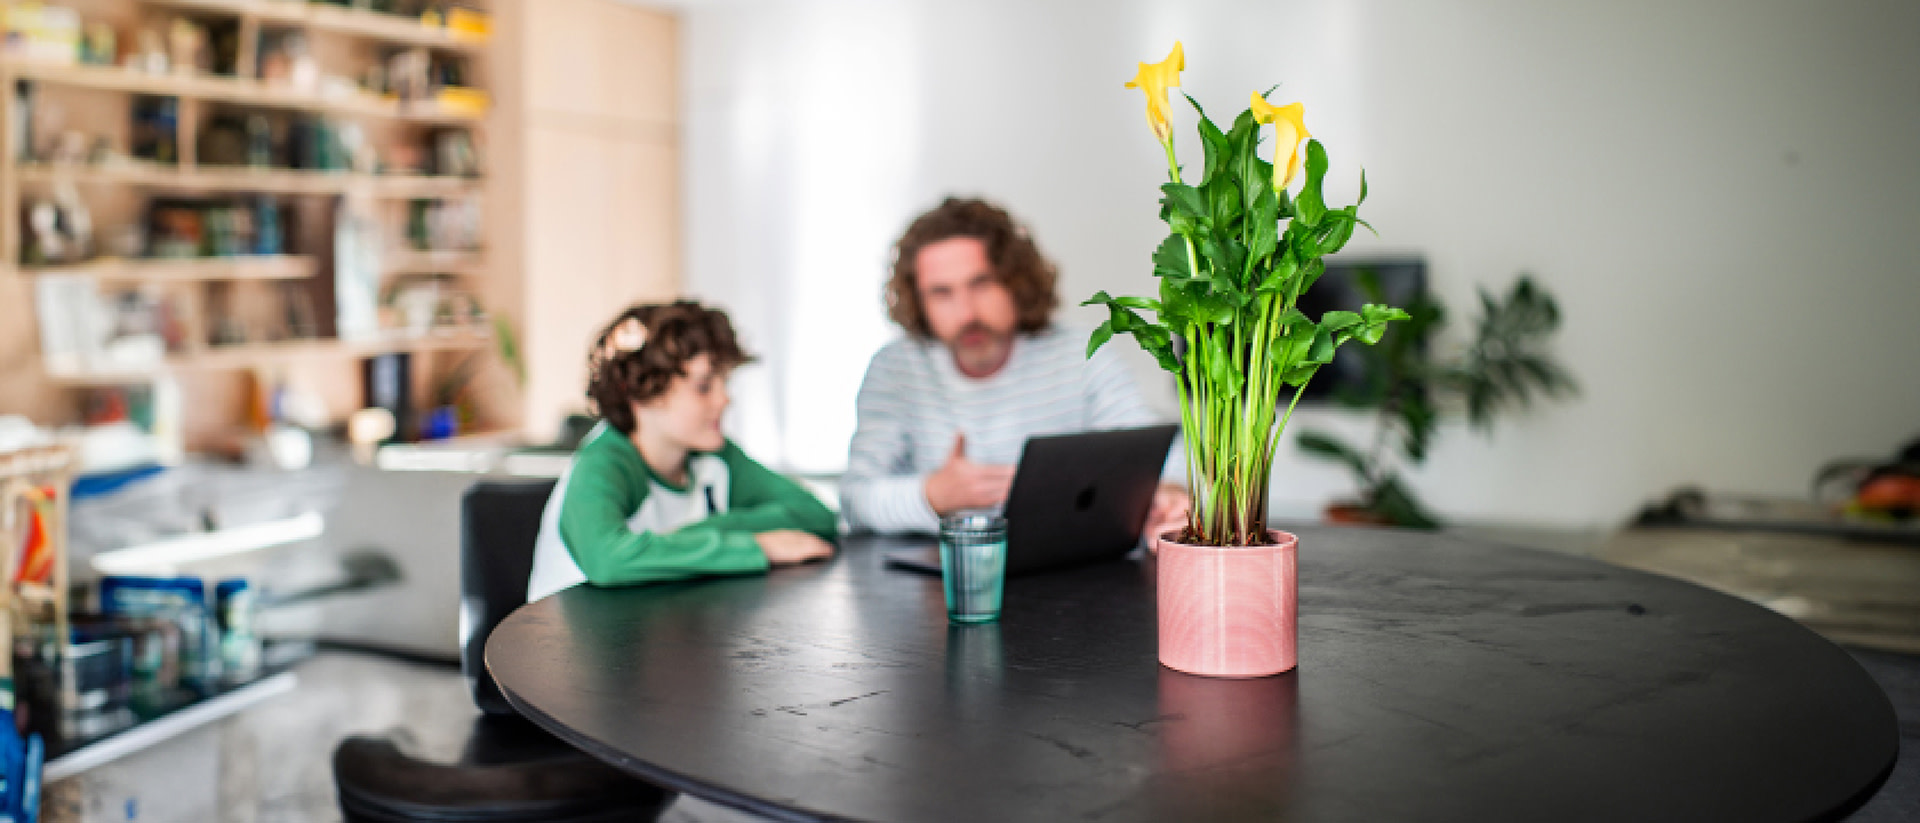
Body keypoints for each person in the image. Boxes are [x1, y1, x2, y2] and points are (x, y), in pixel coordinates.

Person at [842, 197, 1189, 539]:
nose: (967, 314)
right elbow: (855, 500)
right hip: (937, 581)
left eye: (981, 284)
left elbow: (1160, 460)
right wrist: (933, 495)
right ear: (918, 301)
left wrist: (1166, 495)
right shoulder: (895, 370)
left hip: (1072, 573)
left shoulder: (1083, 354)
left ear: (1016, 282)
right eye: (941, 293)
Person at [527, 302, 837, 601]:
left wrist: (701, 534)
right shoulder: (604, 461)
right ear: (640, 391)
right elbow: (607, 559)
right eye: (704, 386)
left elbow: (817, 516)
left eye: (725, 383)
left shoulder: (713, 455)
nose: (724, 400)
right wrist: (757, 546)